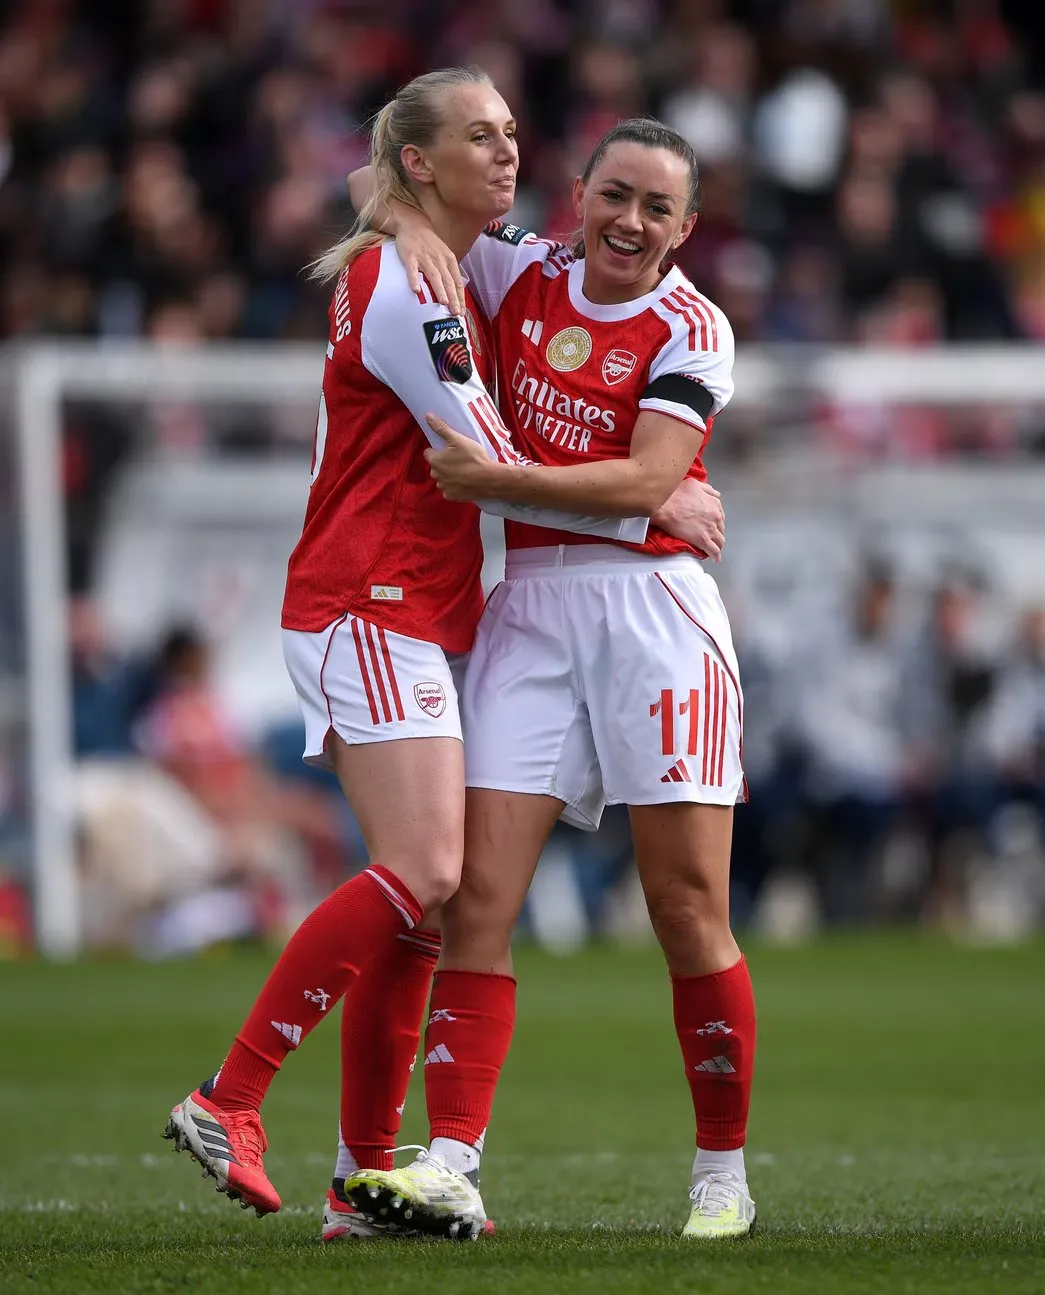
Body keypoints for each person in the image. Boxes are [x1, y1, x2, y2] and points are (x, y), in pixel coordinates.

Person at [162, 70, 725, 1228]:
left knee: (428, 905)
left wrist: (409, 210)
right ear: (426, 160)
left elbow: (372, 170)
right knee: (428, 870)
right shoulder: (411, 291)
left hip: (425, 605)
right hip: (371, 598)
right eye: (481, 137)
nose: (507, 154)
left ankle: (362, 1178)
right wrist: (650, 507)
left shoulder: (446, 258)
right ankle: (230, 1093)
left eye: (514, 133)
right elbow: (480, 461)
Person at [342, 116, 757, 1242]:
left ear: (686, 227)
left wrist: (503, 475)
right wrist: (390, 214)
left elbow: (652, 481)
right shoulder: (515, 262)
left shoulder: (694, 325)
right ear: (578, 192)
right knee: (477, 895)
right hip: (526, 607)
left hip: (655, 617)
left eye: (655, 207)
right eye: (613, 193)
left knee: (683, 905)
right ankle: (453, 1164)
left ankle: (720, 1171)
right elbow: (387, 191)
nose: (628, 220)